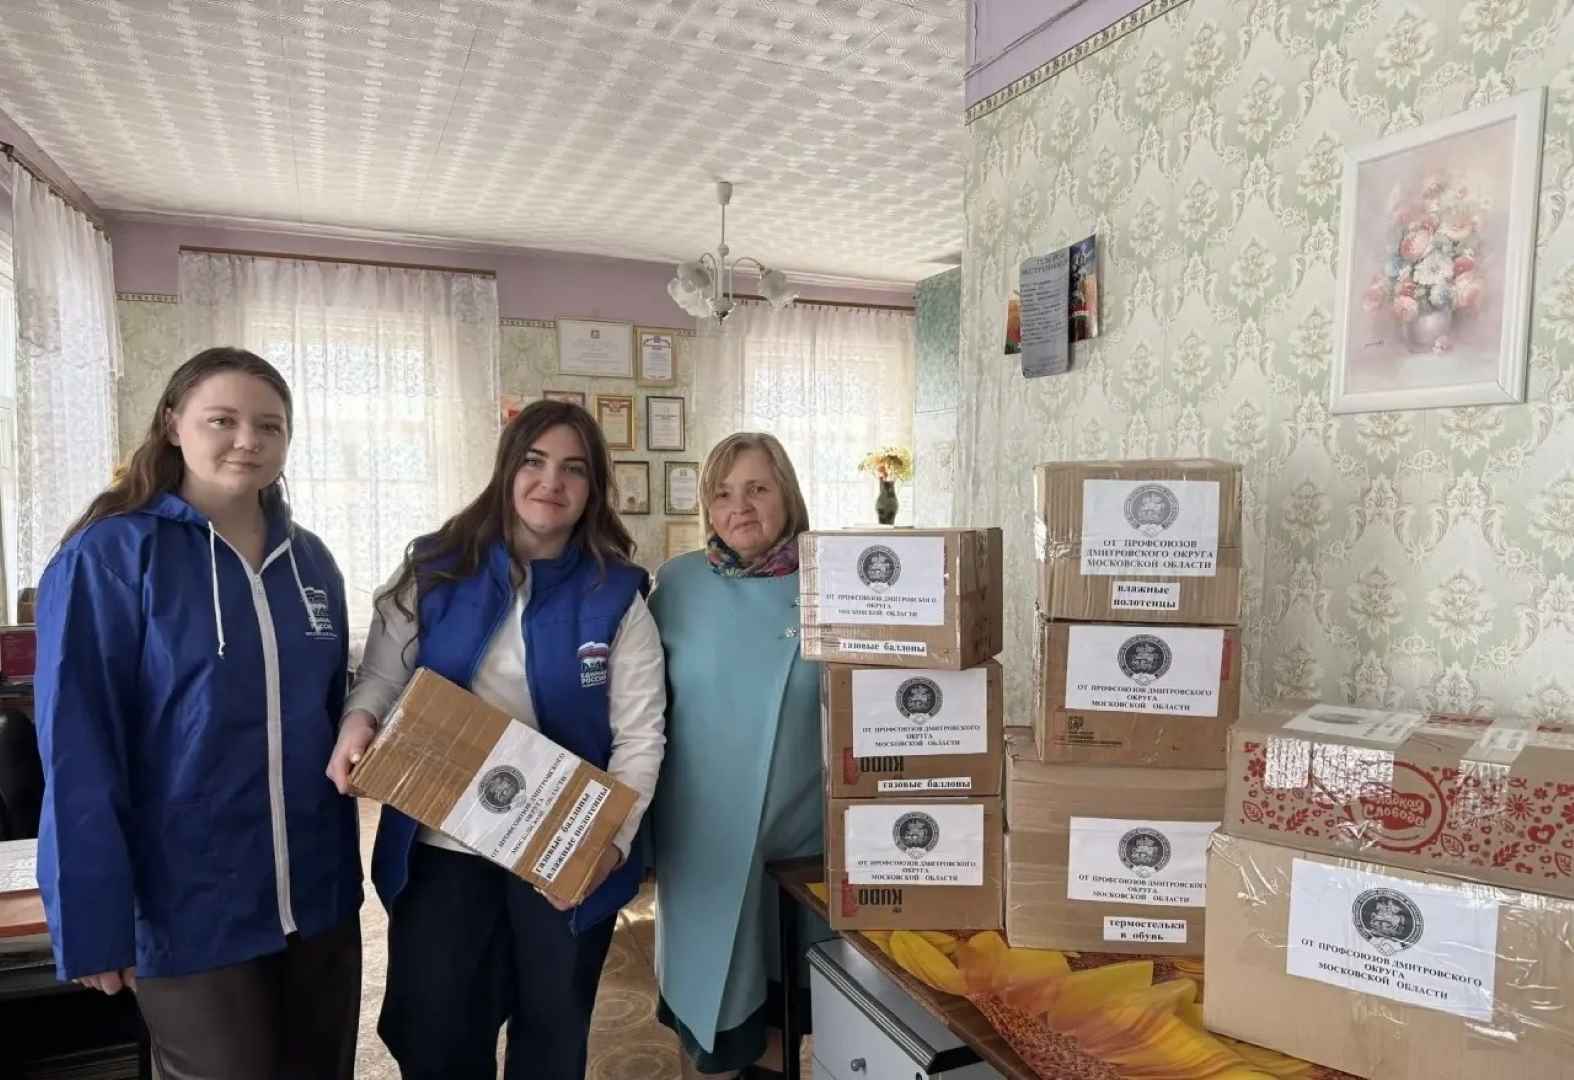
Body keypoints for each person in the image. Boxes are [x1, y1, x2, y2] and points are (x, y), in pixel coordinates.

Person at [34, 346, 362, 1080]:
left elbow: (331, 716)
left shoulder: (311, 562)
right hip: (189, 907)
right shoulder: (109, 556)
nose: (248, 440)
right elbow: (77, 750)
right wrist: (92, 919)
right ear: (173, 424)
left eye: (270, 426)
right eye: (223, 420)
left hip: (318, 900)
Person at [328, 399, 667, 1080]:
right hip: (442, 848)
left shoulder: (617, 596)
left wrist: (611, 842)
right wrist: (358, 721)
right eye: (535, 462)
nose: (552, 482)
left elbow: (640, 737)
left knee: (552, 1038)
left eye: (574, 469)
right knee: (437, 1035)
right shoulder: (435, 570)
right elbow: (382, 678)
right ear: (508, 469)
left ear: (594, 487)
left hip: (561, 851)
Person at [648, 432, 827, 1080]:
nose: (739, 507)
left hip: (804, 839)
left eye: (757, 488)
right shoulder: (677, 583)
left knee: (780, 1010)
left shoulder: (834, 580)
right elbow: (641, 707)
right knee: (705, 1015)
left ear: (787, 494)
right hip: (702, 836)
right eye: (722, 493)